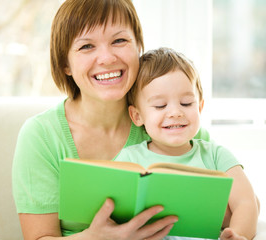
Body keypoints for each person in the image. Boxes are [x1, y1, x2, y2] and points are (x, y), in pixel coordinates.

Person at [12, 0, 212, 239]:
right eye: (87, 46)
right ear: (65, 63)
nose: (106, 58)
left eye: (119, 40)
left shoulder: (173, 121)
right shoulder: (41, 136)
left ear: (138, 46)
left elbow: (233, 205)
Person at [115, 47, 259, 240]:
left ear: (200, 106)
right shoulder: (128, 159)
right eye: (160, 106)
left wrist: (237, 234)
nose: (175, 112)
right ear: (137, 115)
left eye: (186, 103)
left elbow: (246, 202)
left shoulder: (216, 155)